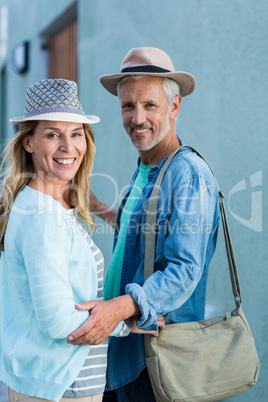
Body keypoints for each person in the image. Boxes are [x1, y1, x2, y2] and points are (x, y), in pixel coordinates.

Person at [67, 47, 221, 402]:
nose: (137, 118)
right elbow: (143, 233)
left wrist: (115, 309)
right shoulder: (147, 168)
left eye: (149, 105)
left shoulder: (188, 175)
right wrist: (99, 207)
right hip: (124, 348)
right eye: (127, 106)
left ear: (174, 106)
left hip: (156, 357)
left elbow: (183, 269)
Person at [0, 78, 161, 402]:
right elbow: (58, 320)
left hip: (47, 378)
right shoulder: (42, 218)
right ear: (28, 142)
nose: (67, 146)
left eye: (76, 134)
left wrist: (114, 215)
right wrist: (123, 321)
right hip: (59, 387)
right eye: (52, 134)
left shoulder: (45, 202)